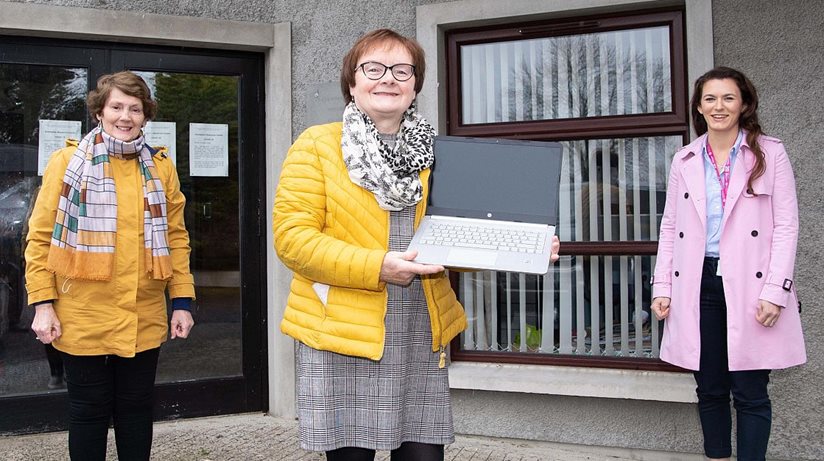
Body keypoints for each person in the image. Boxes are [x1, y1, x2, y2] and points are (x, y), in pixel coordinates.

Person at [273, 29, 559, 461]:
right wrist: (378, 267)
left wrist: (522, 247)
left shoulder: (438, 153)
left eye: (401, 70)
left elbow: (458, 238)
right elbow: (293, 240)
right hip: (344, 330)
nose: (388, 78)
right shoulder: (317, 146)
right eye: (373, 68)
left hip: (419, 329)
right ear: (352, 82)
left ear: (415, 85)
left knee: (422, 456)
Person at [25, 71, 196, 461]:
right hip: (82, 310)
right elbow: (40, 238)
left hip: (143, 310)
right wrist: (43, 302)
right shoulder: (67, 161)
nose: (125, 116)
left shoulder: (160, 168)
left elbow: (176, 237)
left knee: (137, 410)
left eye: (135, 108)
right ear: (99, 111)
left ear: (145, 115)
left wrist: (182, 300)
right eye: (117, 106)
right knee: (88, 410)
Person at [650, 67, 805, 461]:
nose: (719, 107)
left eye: (728, 98)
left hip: (751, 286)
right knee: (710, 388)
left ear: (744, 104)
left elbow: (787, 226)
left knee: (751, 392)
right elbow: (670, 226)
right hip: (698, 284)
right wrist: (662, 286)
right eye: (710, 99)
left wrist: (776, 291)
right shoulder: (684, 158)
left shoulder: (770, 152)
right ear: (699, 107)